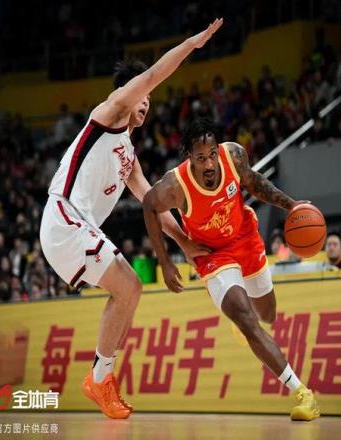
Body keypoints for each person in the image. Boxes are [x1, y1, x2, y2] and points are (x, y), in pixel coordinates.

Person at [39, 19, 223, 420]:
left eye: (149, 100)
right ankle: (98, 378)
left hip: (73, 229)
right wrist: (190, 44)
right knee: (128, 286)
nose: (146, 102)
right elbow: (153, 74)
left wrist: (186, 244)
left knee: (131, 289)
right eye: (143, 94)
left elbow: (152, 203)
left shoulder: (128, 154)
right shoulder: (109, 112)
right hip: (64, 217)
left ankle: (101, 377)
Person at [142, 118, 320, 421]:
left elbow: (256, 183)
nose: (209, 163)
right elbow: (148, 205)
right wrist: (166, 260)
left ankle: (244, 319)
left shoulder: (234, 156)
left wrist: (291, 205)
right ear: (190, 158)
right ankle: (303, 393)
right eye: (201, 158)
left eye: (212, 154)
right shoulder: (175, 186)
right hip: (212, 253)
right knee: (246, 318)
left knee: (267, 315)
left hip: (244, 236)